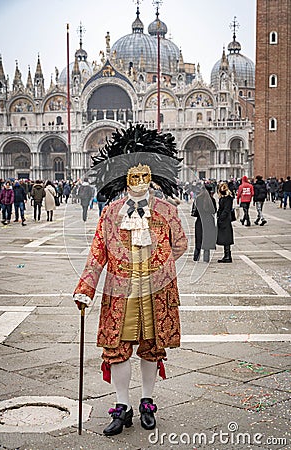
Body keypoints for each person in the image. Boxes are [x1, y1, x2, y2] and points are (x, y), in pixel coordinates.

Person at [73, 124, 188, 437]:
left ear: (154, 176)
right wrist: (85, 290)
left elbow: (180, 244)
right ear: (123, 178)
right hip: (120, 295)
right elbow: (97, 254)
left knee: (152, 348)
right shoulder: (111, 213)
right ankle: (122, 406)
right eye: (133, 177)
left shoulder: (165, 210)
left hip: (156, 294)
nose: (139, 183)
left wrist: (158, 265)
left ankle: (147, 402)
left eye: (145, 177)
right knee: (118, 349)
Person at [191, 184, 216, 262]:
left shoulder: (198, 199)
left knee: (198, 238)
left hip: (200, 221)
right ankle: (206, 258)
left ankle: (196, 256)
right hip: (209, 221)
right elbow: (214, 210)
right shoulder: (212, 199)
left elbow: (194, 213)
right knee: (207, 239)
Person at [217, 181, 234, 263]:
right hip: (224, 220)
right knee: (225, 238)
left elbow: (226, 210)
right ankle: (226, 255)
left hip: (225, 220)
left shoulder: (227, 198)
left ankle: (228, 256)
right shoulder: (225, 198)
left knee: (226, 238)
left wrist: (221, 218)